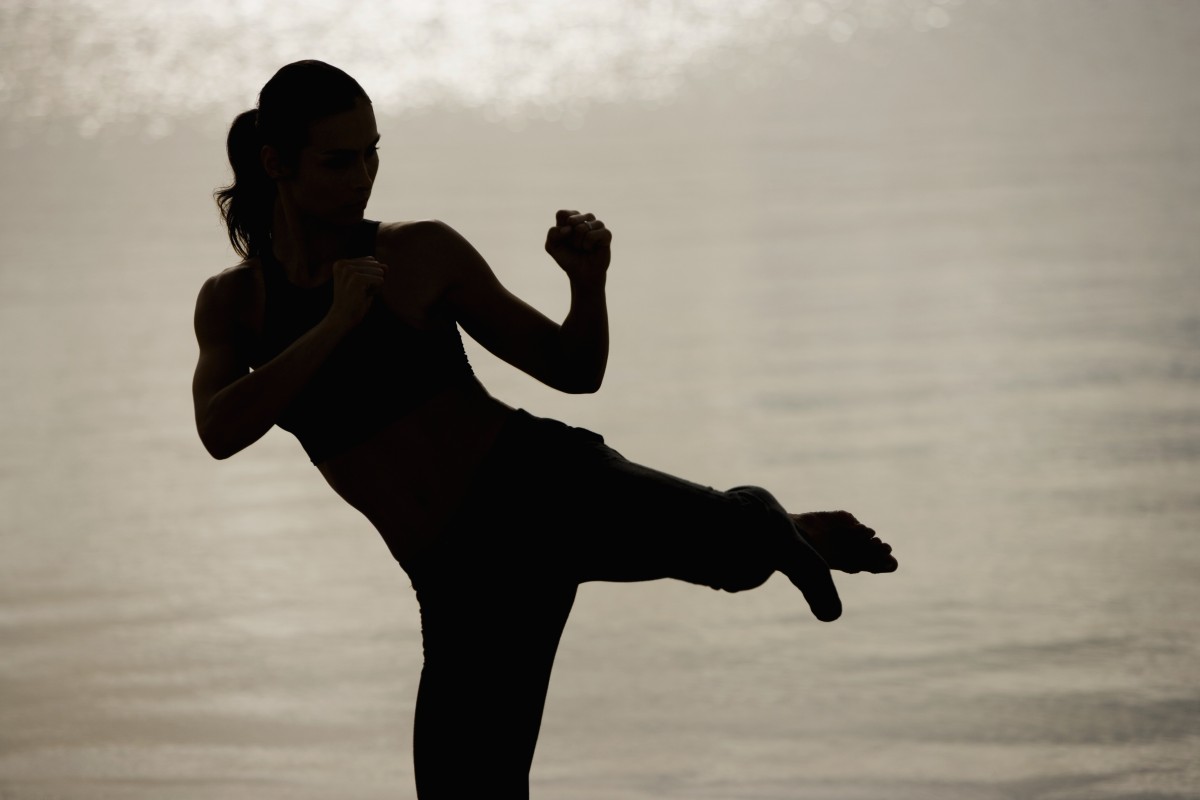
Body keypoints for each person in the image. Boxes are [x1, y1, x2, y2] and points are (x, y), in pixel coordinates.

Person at [193, 60, 897, 798]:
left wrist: (586, 283)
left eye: (374, 152)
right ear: (276, 163)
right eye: (339, 161)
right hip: (456, 579)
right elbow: (220, 429)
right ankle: (780, 527)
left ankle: (762, 522)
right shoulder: (235, 306)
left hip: (539, 488)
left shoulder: (418, 253)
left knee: (734, 557)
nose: (364, 177)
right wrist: (336, 324)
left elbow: (572, 368)